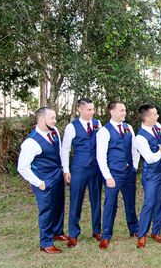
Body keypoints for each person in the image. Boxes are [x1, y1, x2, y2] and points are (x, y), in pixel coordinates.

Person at [17, 107, 67, 254]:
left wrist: (64, 171)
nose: (55, 121)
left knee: (59, 206)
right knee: (46, 210)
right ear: (41, 119)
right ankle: (46, 243)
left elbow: (59, 152)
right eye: (52, 118)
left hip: (57, 176)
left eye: (55, 117)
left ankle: (57, 232)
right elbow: (22, 167)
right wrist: (39, 183)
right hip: (44, 180)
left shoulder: (55, 131)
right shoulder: (31, 142)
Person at [96, 101, 140, 250]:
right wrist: (107, 176)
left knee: (130, 202)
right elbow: (100, 156)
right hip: (114, 174)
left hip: (129, 173)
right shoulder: (104, 131)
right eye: (121, 110)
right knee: (110, 204)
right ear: (112, 112)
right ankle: (106, 235)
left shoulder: (129, 128)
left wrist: (134, 166)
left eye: (125, 110)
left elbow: (134, 148)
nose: (124, 113)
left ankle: (134, 229)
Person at [61, 98, 103, 248]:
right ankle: (73, 234)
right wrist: (66, 170)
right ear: (80, 110)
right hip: (79, 168)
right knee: (76, 201)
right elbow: (65, 149)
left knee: (96, 199)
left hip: (96, 168)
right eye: (89, 109)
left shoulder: (98, 124)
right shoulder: (72, 127)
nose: (92, 112)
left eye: (93, 109)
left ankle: (97, 230)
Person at [135, 104, 161, 248]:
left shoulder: (157, 127)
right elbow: (150, 158)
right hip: (151, 174)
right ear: (147, 118)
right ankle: (141, 234)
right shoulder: (140, 137)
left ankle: (155, 231)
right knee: (149, 203)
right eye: (155, 114)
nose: (157, 116)